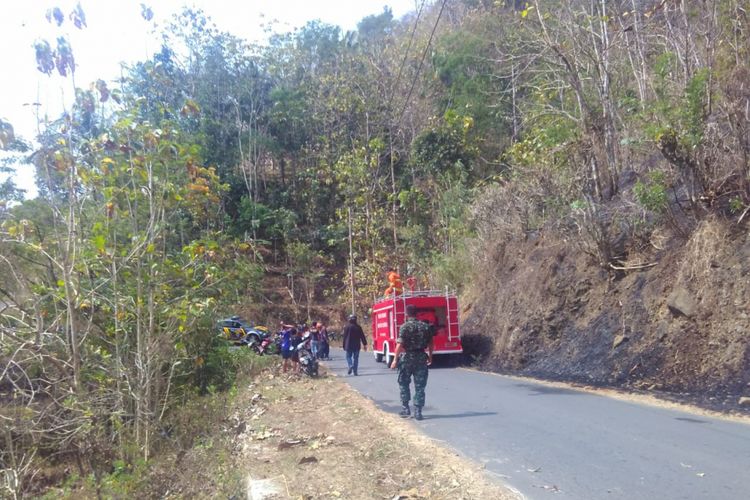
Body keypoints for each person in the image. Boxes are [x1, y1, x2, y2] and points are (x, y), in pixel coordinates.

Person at [390, 304, 433, 420]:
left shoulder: (404, 327)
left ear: (407, 314)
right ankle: (418, 412)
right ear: (417, 313)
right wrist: (430, 356)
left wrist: (394, 360)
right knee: (420, 386)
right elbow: (430, 343)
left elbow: (399, 345)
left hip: (407, 358)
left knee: (403, 383)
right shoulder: (425, 326)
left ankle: (406, 409)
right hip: (421, 358)